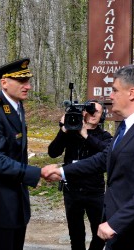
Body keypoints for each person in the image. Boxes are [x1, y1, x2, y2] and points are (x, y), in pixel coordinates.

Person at [46, 65, 134, 250]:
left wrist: (115, 222)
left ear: (132, 93)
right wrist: (62, 171)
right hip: (124, 235)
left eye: (115, 90)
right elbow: (104, 158)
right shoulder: (126, 127)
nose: (110, 96)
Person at [0, 58, 60, 250]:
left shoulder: (16, 107)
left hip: (15, 205)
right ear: (4, 82)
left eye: (28, 81)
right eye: (21, 81)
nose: (28, 86)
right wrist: (35, 173)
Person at [48, 100, 112, 250]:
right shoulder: (70, 133)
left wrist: (86, 136)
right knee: (75, 235)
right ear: (83, 113)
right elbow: (53, 152)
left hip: (94, 191)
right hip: (72, 190)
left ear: (102, 116)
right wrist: (63, 130)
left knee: (100, 233)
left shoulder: (104, 136)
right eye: (90, 111)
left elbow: (108, 153)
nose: (93, 114)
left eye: (97, 112)